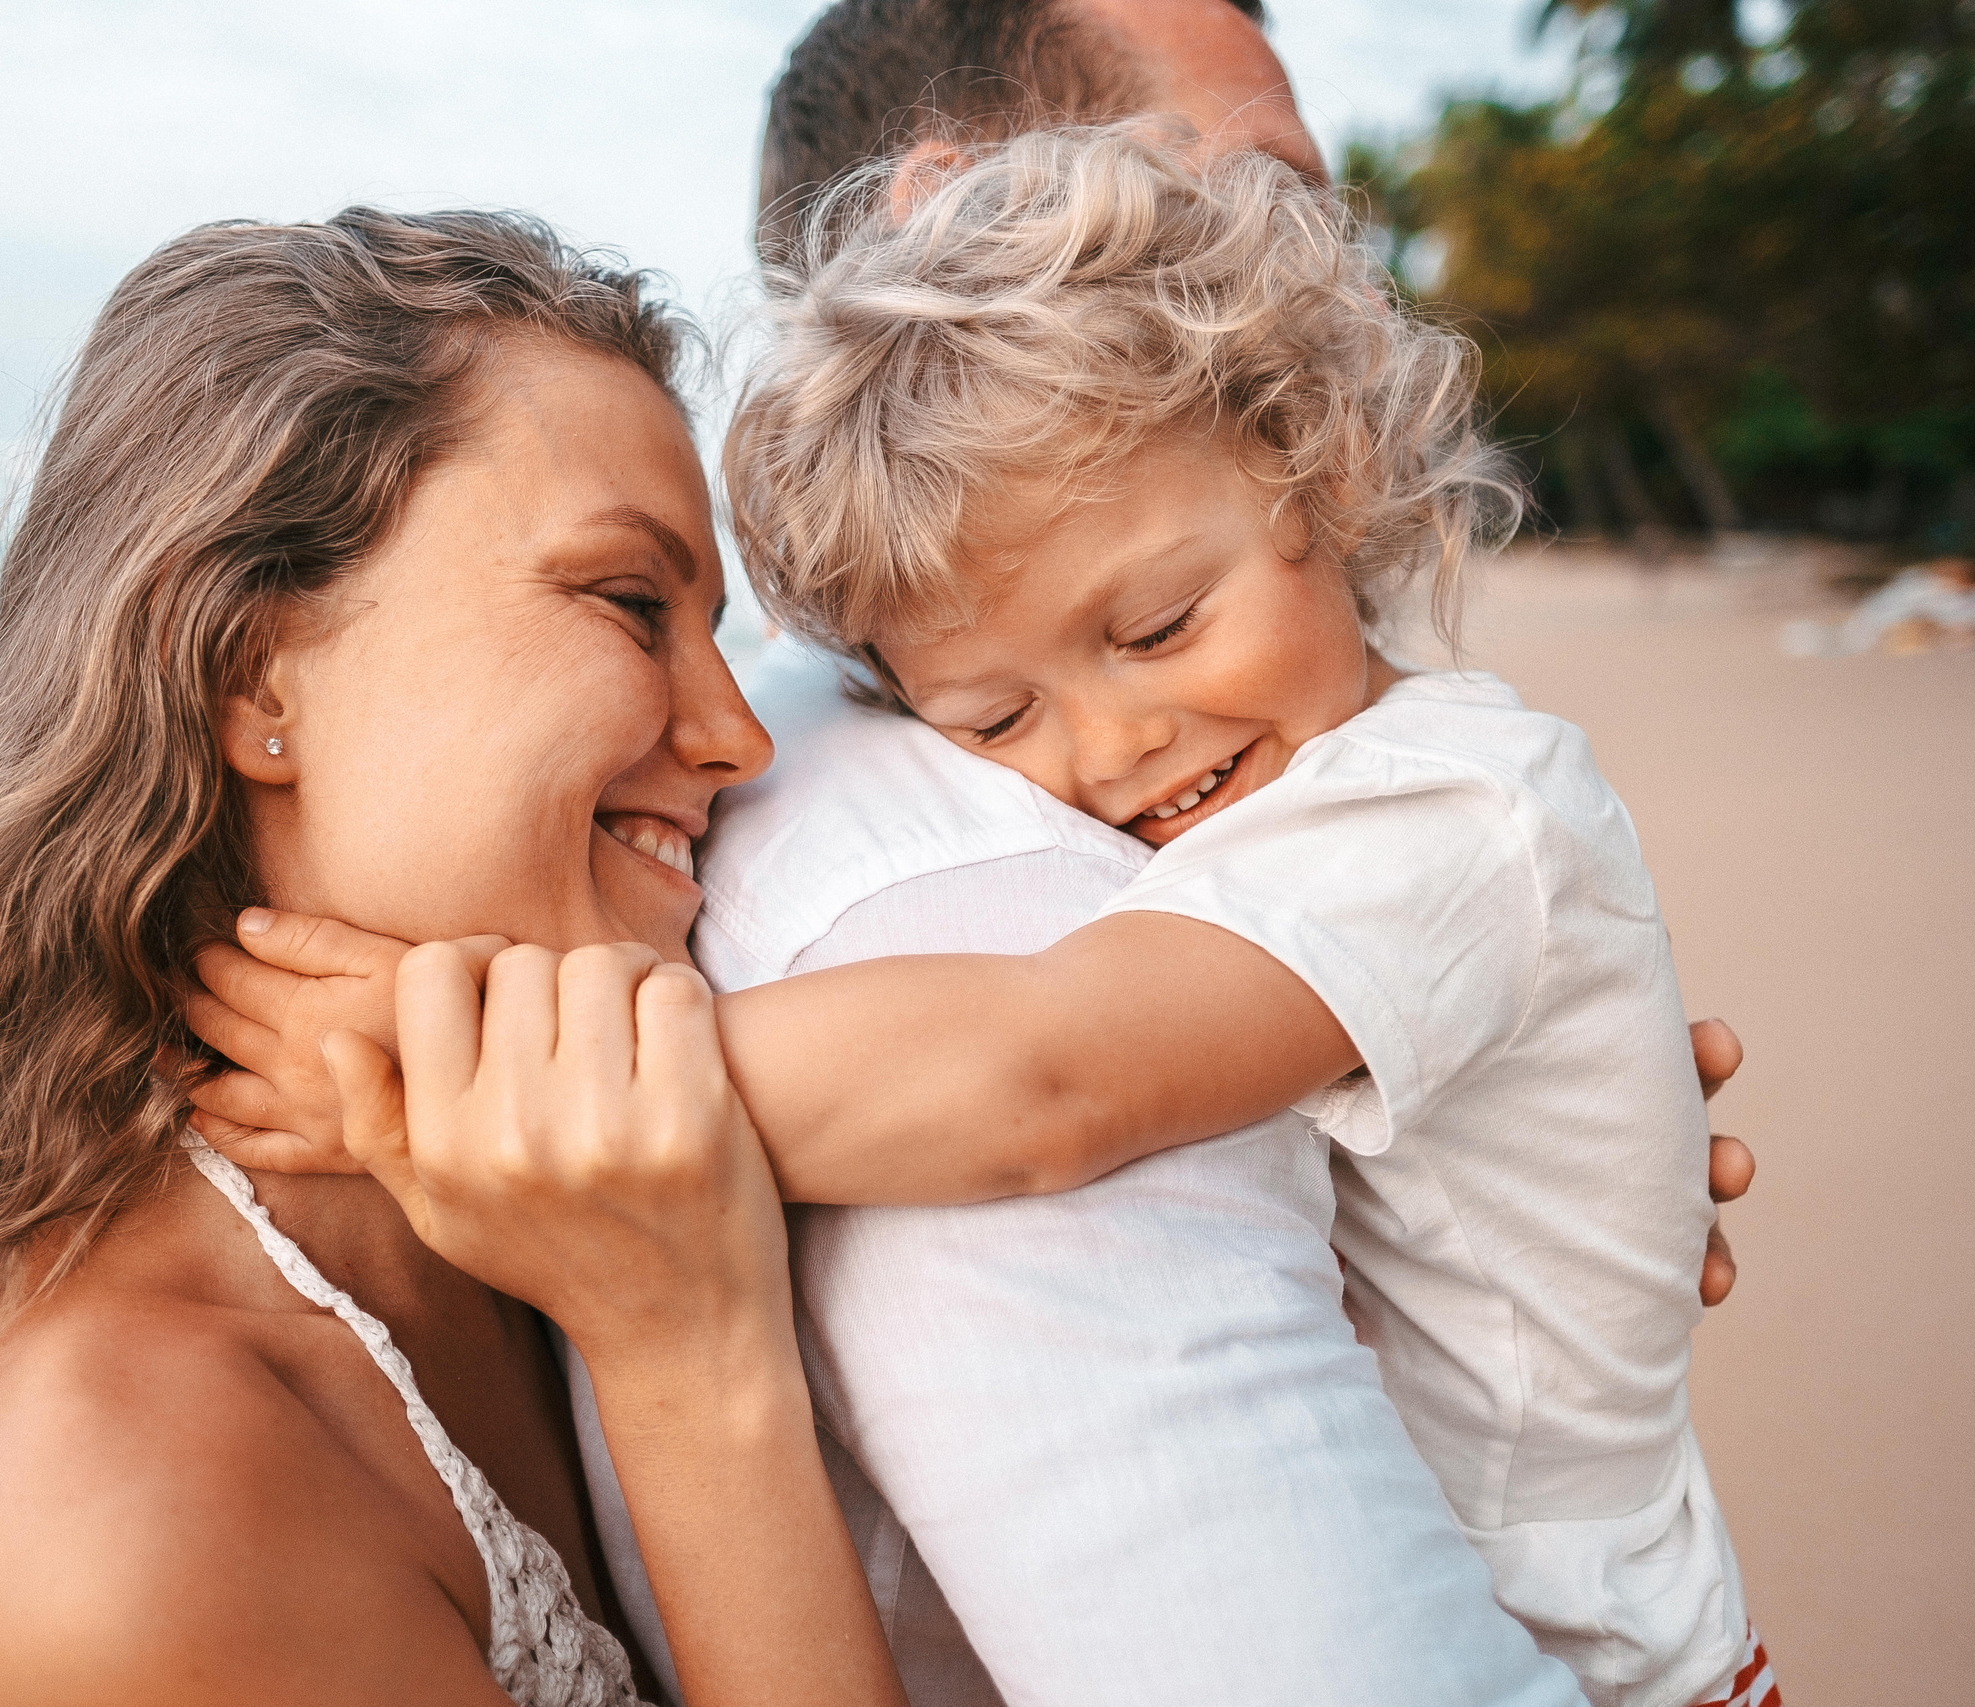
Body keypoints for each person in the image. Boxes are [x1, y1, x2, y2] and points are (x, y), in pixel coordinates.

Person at [0, 209, 911, 1707]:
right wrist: (689, 1352)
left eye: (717, 632)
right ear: (250, 672)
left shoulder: (546, 1171)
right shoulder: (109, 1498)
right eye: (632, 605)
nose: (739, 737)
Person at [710, 129, 1778, 1707]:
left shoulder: (1450, 814)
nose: (1108, 745)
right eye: (996, 723)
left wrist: (492, 1077)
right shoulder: (1316, 798)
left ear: (1321, 470)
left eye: (1156, 628)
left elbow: (1039, 1079)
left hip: (1605, 1651)